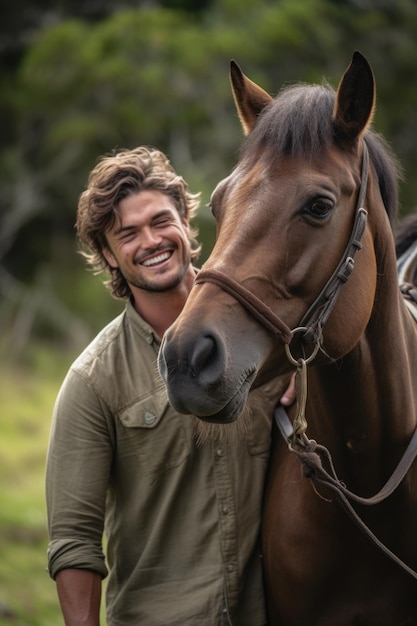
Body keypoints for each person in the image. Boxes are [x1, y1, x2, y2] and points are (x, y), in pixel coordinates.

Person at [45, 145, 292, 626]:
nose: (152, 240)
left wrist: (309, 375)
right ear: (107, 256)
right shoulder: (93, 382)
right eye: (128, 234)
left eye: (161, 221)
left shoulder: (268, 337)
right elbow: (73, 540)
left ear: (185, 222)